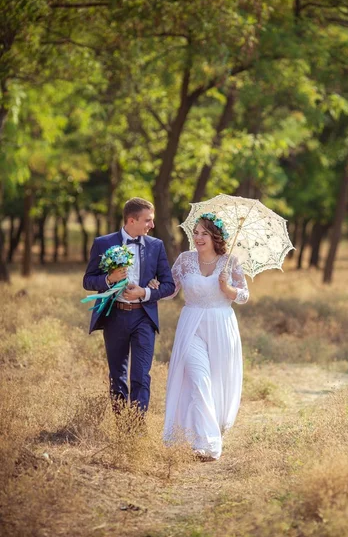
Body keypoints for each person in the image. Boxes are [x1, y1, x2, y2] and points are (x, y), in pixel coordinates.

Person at [161, 213, 249, 461]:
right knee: (199, 379)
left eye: (204, 233)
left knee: (217, 382)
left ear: (215, 237)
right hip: (191, 325)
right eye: (196, 232)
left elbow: (244, 296)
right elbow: (171, 291)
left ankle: (204, 432)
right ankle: (208, 443)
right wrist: (153, 289)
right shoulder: (184, 260)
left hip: (221, 326)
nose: (198, 238)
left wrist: (227, 289)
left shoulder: (230, 262)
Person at [83, 197, 175, 414]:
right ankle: (121, 426)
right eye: (148, 220)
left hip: (144, 316)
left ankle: (136, 426)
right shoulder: (103, 243)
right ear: (131, 220)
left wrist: (146, 292)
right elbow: (87, 281)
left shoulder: (156, 246)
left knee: (141, 375)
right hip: (114, 316)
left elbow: (169, 285)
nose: (152, 225)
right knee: (117, 375)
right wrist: (109, 278)